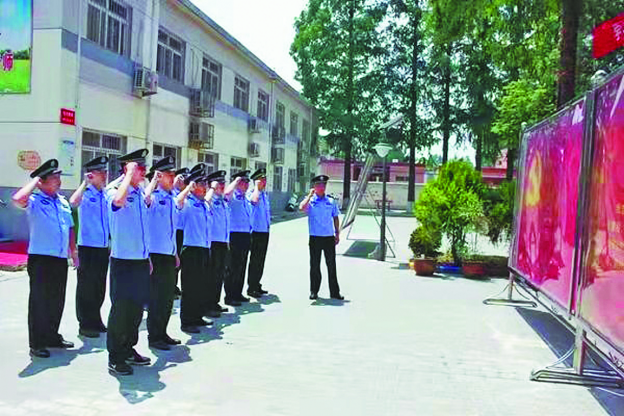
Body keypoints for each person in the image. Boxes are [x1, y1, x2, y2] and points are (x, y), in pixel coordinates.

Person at [12, 159, 78, 358]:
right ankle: (37, 342)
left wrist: (73, 252)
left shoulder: (62, 201)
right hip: (41, 258)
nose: (59, 181)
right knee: (39, 301)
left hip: (59, 258)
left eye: (59, 177)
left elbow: (70, 227)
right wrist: (35, 180)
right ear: (42, 181)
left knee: (56, 299)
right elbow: (17, 199)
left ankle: (51, 336)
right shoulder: (34, 200)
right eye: (54, 178)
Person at [106, 149, 152, 376]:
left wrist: (148, 258)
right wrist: (128, 175)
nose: (143, 172)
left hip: (141, 261)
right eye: (139, 168)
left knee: (135, 312)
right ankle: (115, 356)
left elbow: (143, 229)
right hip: (123, 262)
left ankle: (128, 348)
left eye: (143, 168)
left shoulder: (140, 191)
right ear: (127, 169)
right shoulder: (114, 190)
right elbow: (118, 202)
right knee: (121, 311)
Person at [70, 156, 110, 338]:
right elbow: (73, 202)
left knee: (99, 286)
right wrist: (84, 183)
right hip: (87, 247)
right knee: (86, 287)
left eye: (106, 172)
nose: (105, 175)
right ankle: (85, 324)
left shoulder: (105, 194)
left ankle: (96, 319)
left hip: (102, 247)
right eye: (101, 172)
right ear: (92, 174)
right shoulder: (86, 194)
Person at [144, 156, 182, 351]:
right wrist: (154, 181)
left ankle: (163, 332)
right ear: (159, 176)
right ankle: (154, 336)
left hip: (168, 254)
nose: (173, 177)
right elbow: (144, 200)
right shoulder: (153, 196)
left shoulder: (172, 198)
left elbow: (172, 229)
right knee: (156, 298)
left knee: (167, 297)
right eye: (169, 174)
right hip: (155, 256)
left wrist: (175, 252)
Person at [176, 166, 216, 333]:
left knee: (201, 285)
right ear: (192, 185)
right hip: (191, 249)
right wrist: (187, 189)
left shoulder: (204, 204)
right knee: (190, 287)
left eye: (205, 183)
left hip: (204, 248)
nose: (205, 186)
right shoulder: (187, 203)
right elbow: (177, 202)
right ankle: (187, 321)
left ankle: (197, 316)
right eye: (200, 183)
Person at [299, 175, 344, 301]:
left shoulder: (330, 201)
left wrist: (337, 233)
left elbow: (335, 217)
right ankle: (314, 291)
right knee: (314, 266)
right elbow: (301, 208)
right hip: (315, 238)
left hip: (329, 238)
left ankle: (334, 292)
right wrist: (309, 195)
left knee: (331, 266)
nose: (321, 187)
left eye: (323, 185)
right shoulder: (310, 201)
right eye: (319, 185)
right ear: (314, 187)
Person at [206, 170, 238, 310]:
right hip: (213, 243)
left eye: (223, 183)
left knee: (219, 275)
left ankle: (214, 302)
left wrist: (235, 181)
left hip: (223, 242)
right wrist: (212, 188)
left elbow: (228, 193)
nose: (222, 185)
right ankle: (208, 305)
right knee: (211, 276)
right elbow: (206, 202)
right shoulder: (210, 199)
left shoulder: (223, 201)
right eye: (220, 183)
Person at [228, 170, 252, 304]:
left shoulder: (246, 198)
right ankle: (230, 295)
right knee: (233, 267)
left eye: (247, 182)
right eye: (243, 182)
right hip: (234, 235)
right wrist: (236, 181)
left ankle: (238, 293)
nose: (246, 185)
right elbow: (226, 193)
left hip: (245, 235)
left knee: (242, 266)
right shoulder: (232, 196)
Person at [247, 168, 271, 298]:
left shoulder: (265, 195)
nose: (264, 182)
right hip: (255, 232)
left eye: (265, 179)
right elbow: (254, 201)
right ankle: (251, 287)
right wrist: (256, 187)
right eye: (261, 180)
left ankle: (257, 284)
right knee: (255, 260)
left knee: (261, 260)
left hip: (264, 231)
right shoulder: (252, 193)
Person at [173, 167, 189, 299]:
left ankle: (174, 285)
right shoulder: (173, 192)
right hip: (175, 230)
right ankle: (171, 286)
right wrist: (174, 184)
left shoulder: (186, 193)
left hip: (184, 230)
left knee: (180, 261)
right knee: (174, 259)